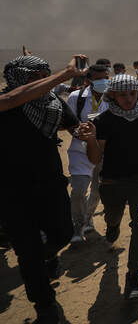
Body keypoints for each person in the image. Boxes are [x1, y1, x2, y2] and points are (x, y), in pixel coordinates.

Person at [0, 54, 86, 323]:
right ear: (18, 79)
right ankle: (44, 303)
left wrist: (84, 132)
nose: (42, 82)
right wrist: (62, 75)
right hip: (11, 192)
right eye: (35, 77)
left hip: (50, 184)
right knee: (27, 251)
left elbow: (75, 128)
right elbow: (13, 99)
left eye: (45, 75)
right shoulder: (6, 102)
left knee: (63, 233)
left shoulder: (53, 105)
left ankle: (46, 255)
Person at [79, 74, 138, 300]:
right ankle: (112, 229)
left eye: (133, 93)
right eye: (123, 95)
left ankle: (133, 279)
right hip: (112, 183)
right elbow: (94, 158)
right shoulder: (104, 121)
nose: (129, 99)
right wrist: (90, 139)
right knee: (113, 217)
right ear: (112, 95)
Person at [66, 64, 109, 243]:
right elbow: (69, 122)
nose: (103, 82)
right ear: (88, 80)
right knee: (78, 190)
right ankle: (77, 228)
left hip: (104, 151)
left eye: (105, 78)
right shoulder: (77, 97)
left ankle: (87, 218)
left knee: (98, 191)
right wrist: (78, 132)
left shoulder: (113, 97)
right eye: (98, 79)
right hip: (80, 151)